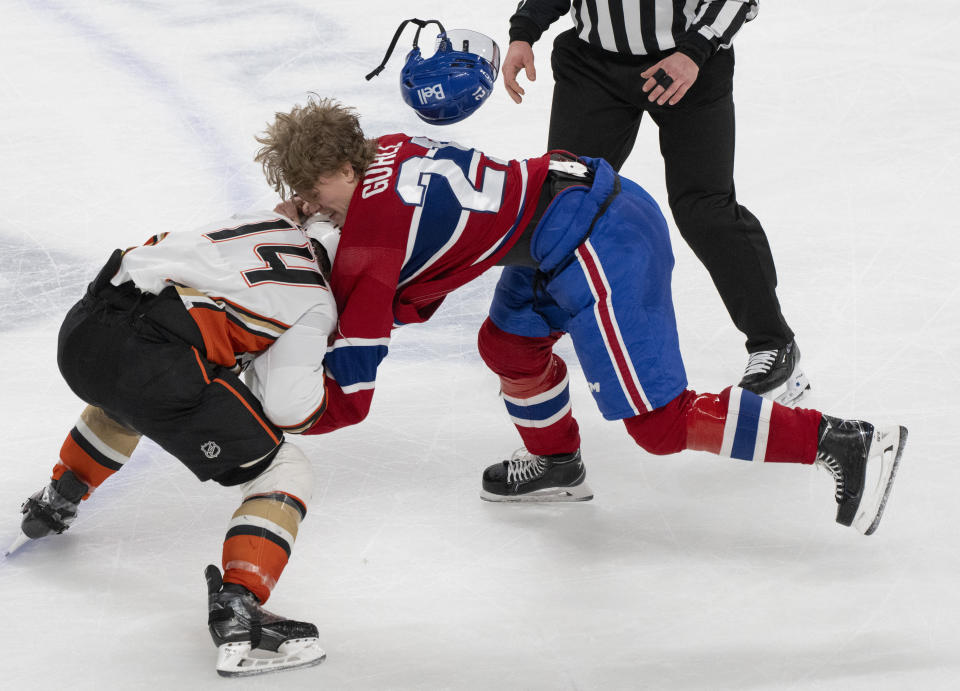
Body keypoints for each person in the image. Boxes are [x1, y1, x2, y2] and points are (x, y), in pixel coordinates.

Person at [254, 96, 906, 536]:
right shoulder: (387, 146)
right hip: (563, 214)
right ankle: (557, 464)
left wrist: (260, 408)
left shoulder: (370, 240)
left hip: (599, 238)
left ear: (346, 166)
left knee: (658, 423)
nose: (313, 207)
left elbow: (351, 394)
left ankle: (838, 439)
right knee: (507, 344)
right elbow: (423, 258)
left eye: (315, 193)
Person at [9, 210, 338, 677]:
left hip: (86, 326)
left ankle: (58, 497)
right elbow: (287, 408)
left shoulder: (265, 220)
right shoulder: (318, 298)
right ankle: (239, 605)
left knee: (125, 401)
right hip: (156, 363)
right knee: (284, 468)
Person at [499, 1, 809, 414]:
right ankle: (526, 347)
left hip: (690, 65)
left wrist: (695, 49)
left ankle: (774, 342)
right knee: (562, 206)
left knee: (704, 208)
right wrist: (524, 31)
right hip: (593, 68)